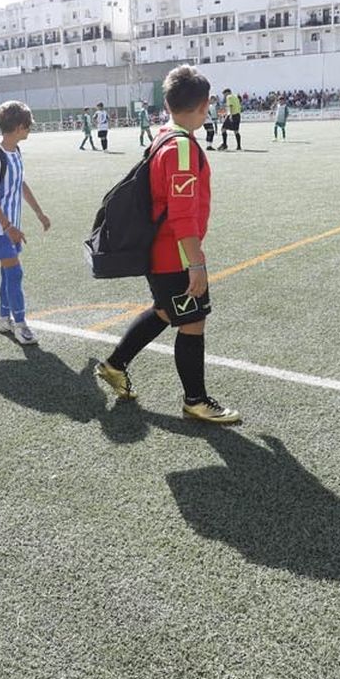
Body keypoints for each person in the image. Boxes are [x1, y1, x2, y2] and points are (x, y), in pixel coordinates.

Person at [94, 64, 239, 424]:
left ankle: (115, 365)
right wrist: (197, 262)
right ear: (206, 105)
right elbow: (182, 214)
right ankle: (196, 400)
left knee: (165, 311)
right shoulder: (182, 148)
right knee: (193, 322)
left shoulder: (164, 135)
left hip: (160, 251)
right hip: (173, 255)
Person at [0, 100, 50, 346]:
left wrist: (39, 213)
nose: (30, 129)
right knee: (14, 272)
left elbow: (21, 184)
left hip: (11, 226)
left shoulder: (15, 152)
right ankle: (20, 324)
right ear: (19, 127)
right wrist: (9, 227)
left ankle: (3, 318)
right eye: (28, 125)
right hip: (0, 227)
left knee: (7, 273)